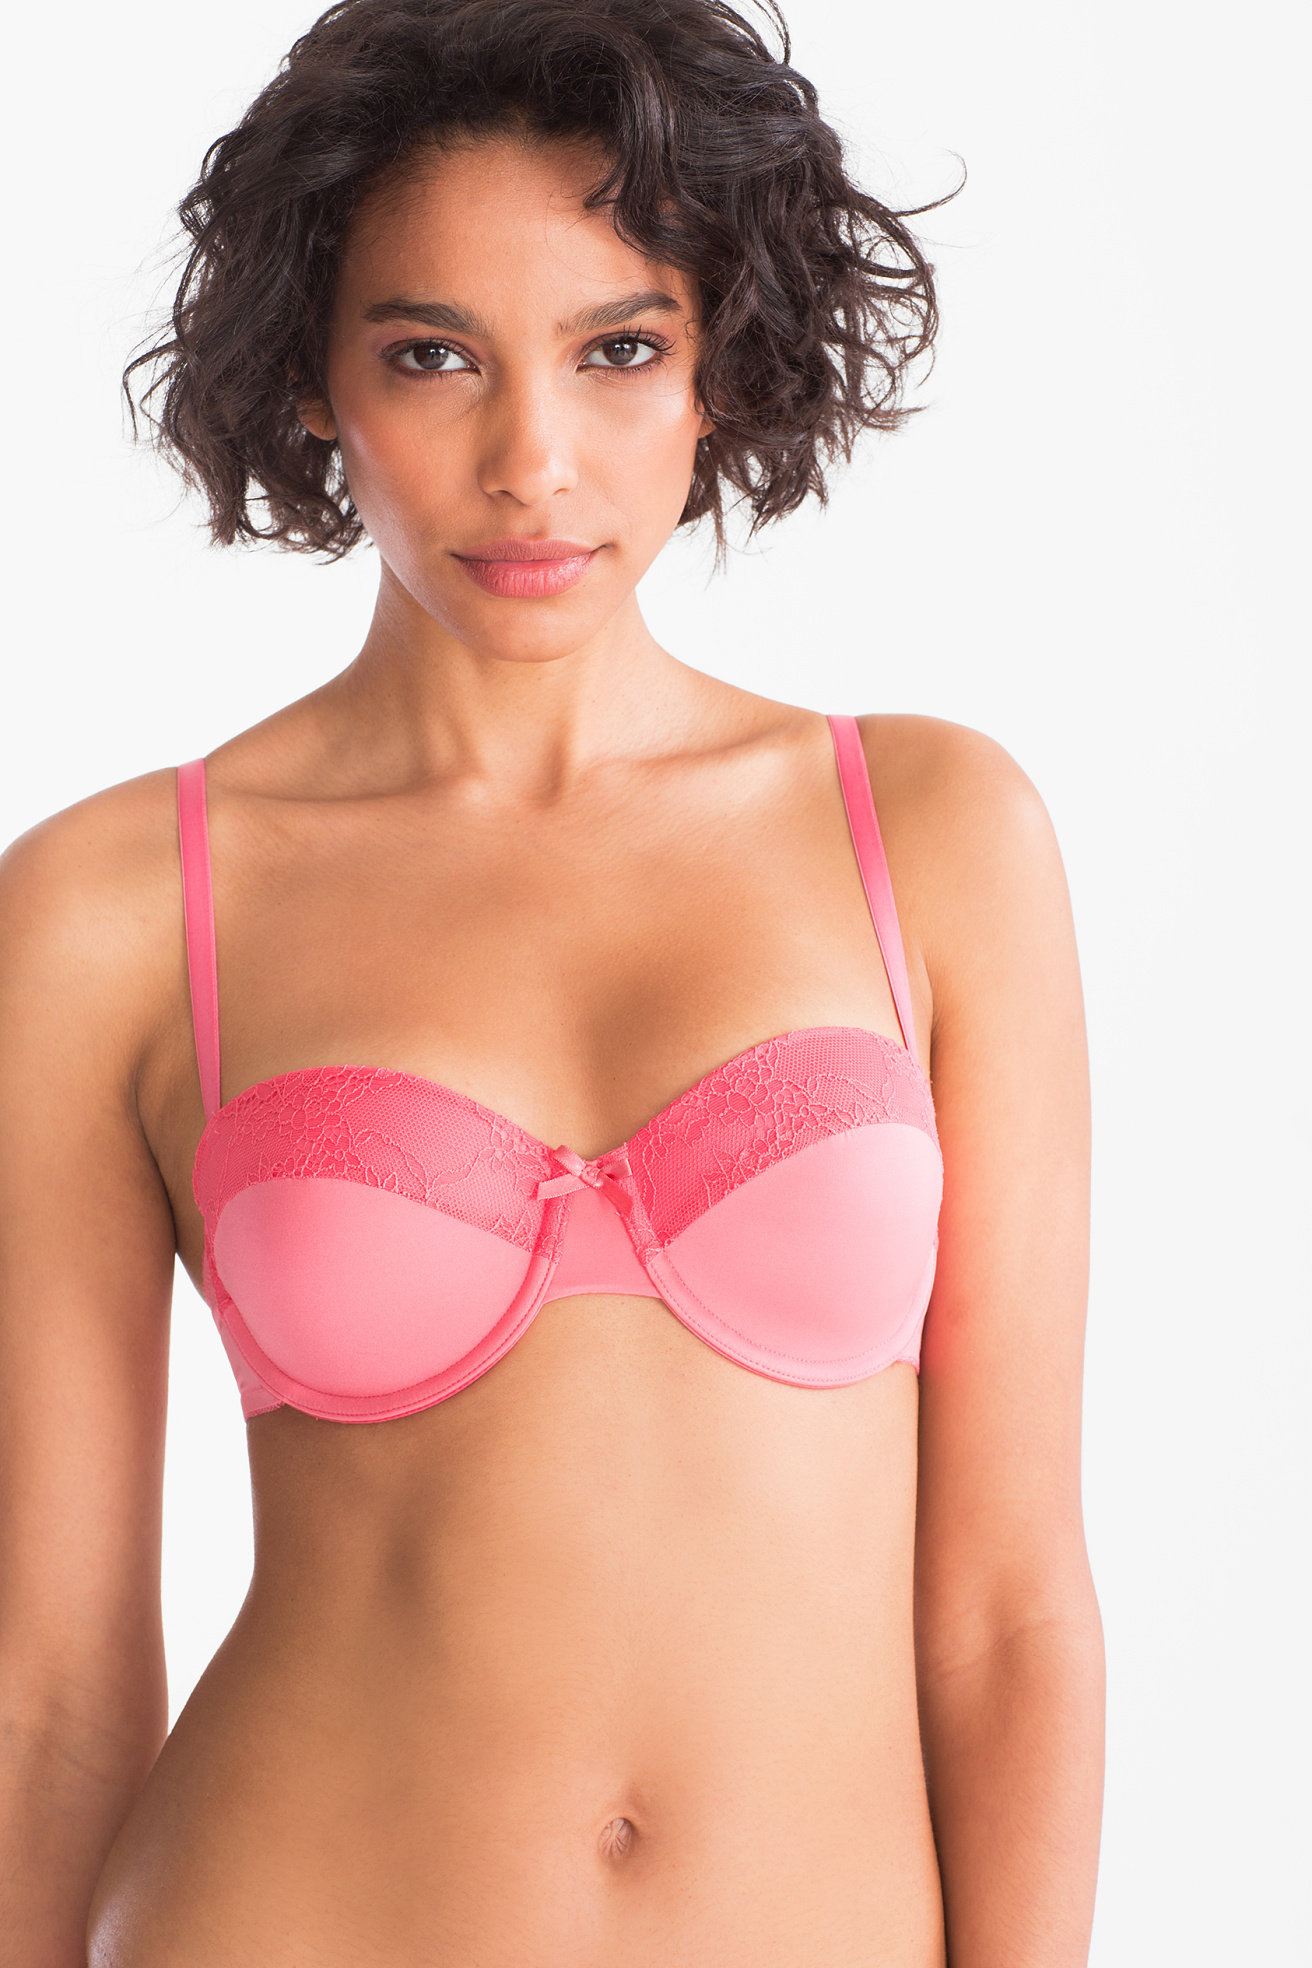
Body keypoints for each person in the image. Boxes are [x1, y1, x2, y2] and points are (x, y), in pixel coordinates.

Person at [0, 1, 1104, 1961]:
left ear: (718, 367)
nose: (532, 461)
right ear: (312, 377)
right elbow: (53, 1686)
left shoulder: (930, 835)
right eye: (432, 355)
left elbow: (1007, 1613)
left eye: (618, 350)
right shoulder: (113, 909)